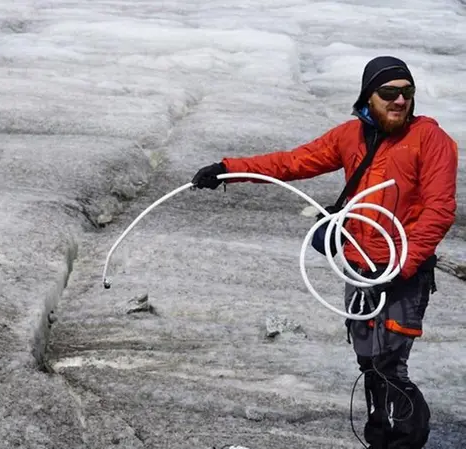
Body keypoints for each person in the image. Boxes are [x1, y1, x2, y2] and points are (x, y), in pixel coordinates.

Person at [191, 55, 458, 449]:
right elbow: (291, 163)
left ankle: (403, 443)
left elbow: (439, 209)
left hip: (403, 273)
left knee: (391, 365)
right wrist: (228, 168)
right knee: (368, 362)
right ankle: (379, 437)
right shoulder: (350, 136)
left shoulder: (430, 140)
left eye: (407, 93)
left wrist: (404, 264)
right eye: (389, 93)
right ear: (369, 97)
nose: (400, 101)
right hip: (358, 268)